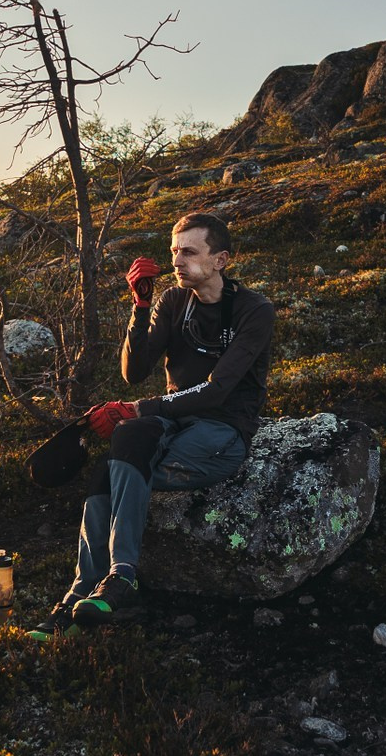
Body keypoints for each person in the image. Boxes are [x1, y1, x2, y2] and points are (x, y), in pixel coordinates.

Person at [59, 210, 275, 622]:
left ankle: (114, 580)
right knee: (127, 442)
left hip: (222, 432)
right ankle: (90, 589)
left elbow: (217, 389)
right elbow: (133, 372)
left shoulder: (254, 310)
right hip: (174, 421)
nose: (176, 261)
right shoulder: (174, 300)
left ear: (220, 260)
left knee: (113, 468)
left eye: (189, 252)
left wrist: (141, 407)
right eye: (174, 251)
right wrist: (140, 307)